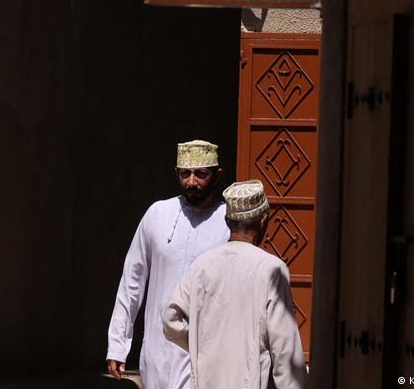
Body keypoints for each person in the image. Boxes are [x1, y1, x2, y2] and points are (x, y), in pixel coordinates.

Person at [106, 140, 230, 389]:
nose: (191, 182)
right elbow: (132, 281)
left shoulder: (227, 222)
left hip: (205, 350)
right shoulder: (158, 214)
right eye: (185, 174)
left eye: (200, 174)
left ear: (217, 176)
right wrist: (118, 345)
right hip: (158, 350)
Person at [162, 180, 306, 389]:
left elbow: (170, 320)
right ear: (263, 220)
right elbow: (285, 349)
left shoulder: (202, 264)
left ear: (227, 220)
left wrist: (203, 346)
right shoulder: (271, 269)